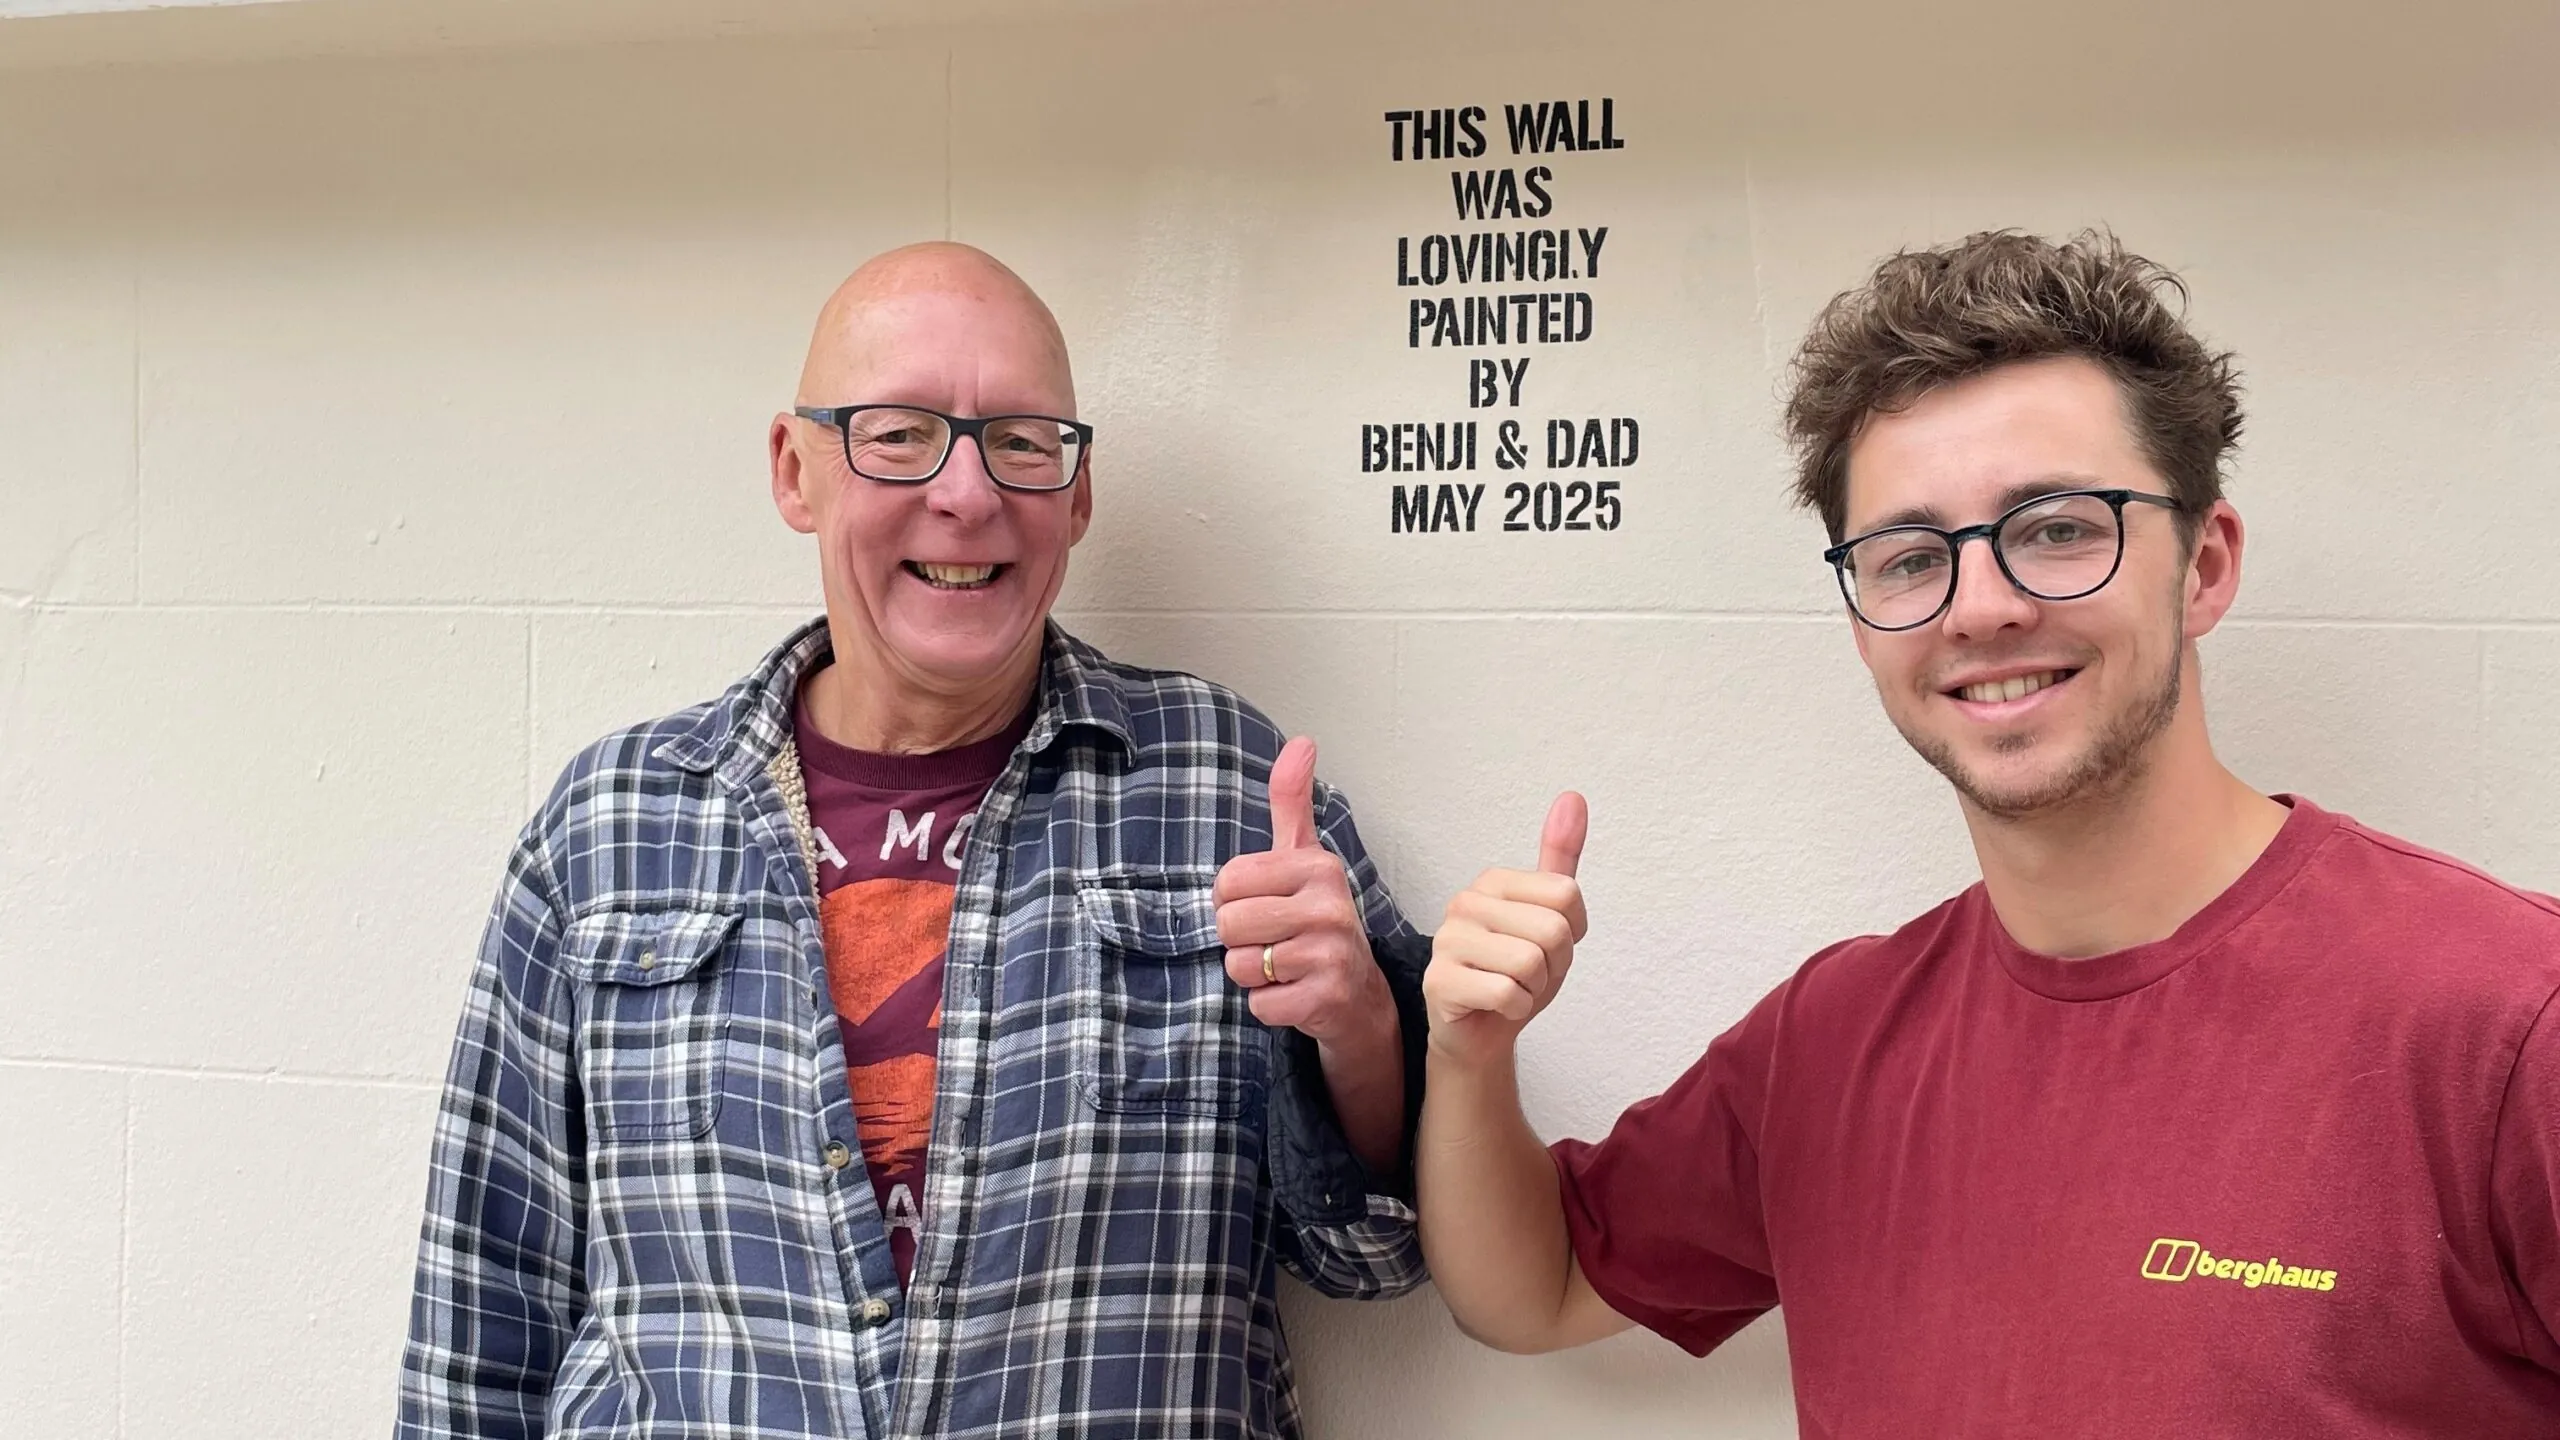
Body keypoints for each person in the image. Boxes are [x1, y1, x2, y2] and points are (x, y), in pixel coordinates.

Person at [1416, 230, 2560, 1435]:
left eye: (2060, 528)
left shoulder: (2506, 1021)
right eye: (1910, 558)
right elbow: (1533, 1289)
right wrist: (1467, 1060)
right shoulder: (1826, 1046)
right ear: (1864, 625)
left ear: (2204, 566)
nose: (1982, 606)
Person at [397, 242, 1429, 1440]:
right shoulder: (610, 827)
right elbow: (484, 1313)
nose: (969, 493)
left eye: (1023, 441)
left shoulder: (1227, 792)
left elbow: (1378, 1262)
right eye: (899, 434)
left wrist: (1359, 1031)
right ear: (796, 470)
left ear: (1077, 495)